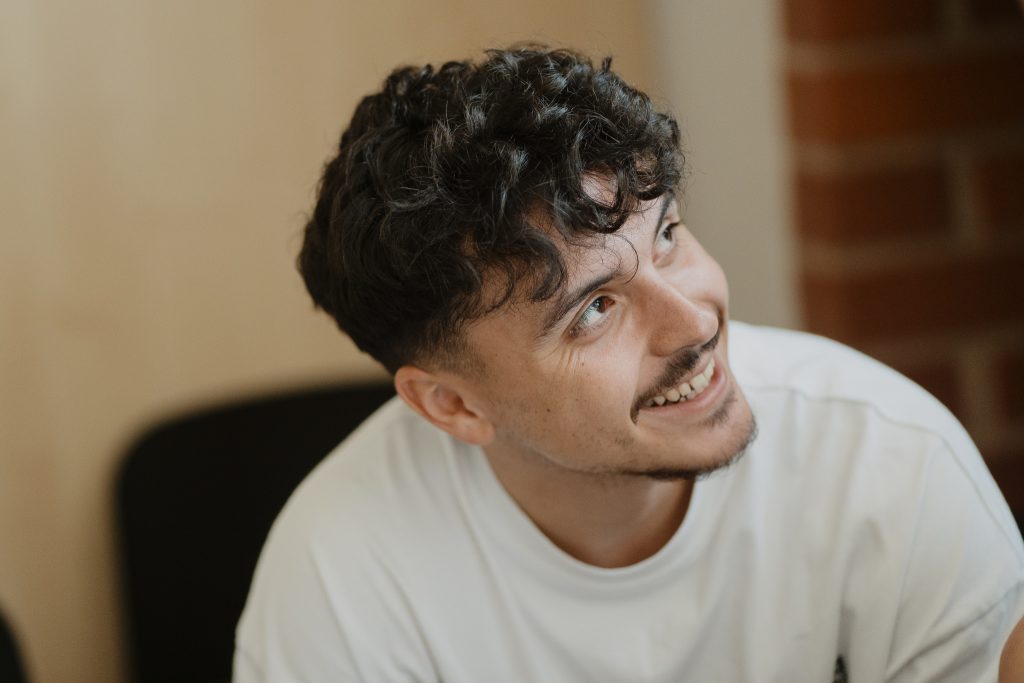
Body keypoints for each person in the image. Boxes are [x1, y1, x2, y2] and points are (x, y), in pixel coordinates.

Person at [234, 46, 1024, 681]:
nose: (696, 321)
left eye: (668, 237)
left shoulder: (886, 458)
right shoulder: (342, 568)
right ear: (453, 404)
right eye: (595, 309)